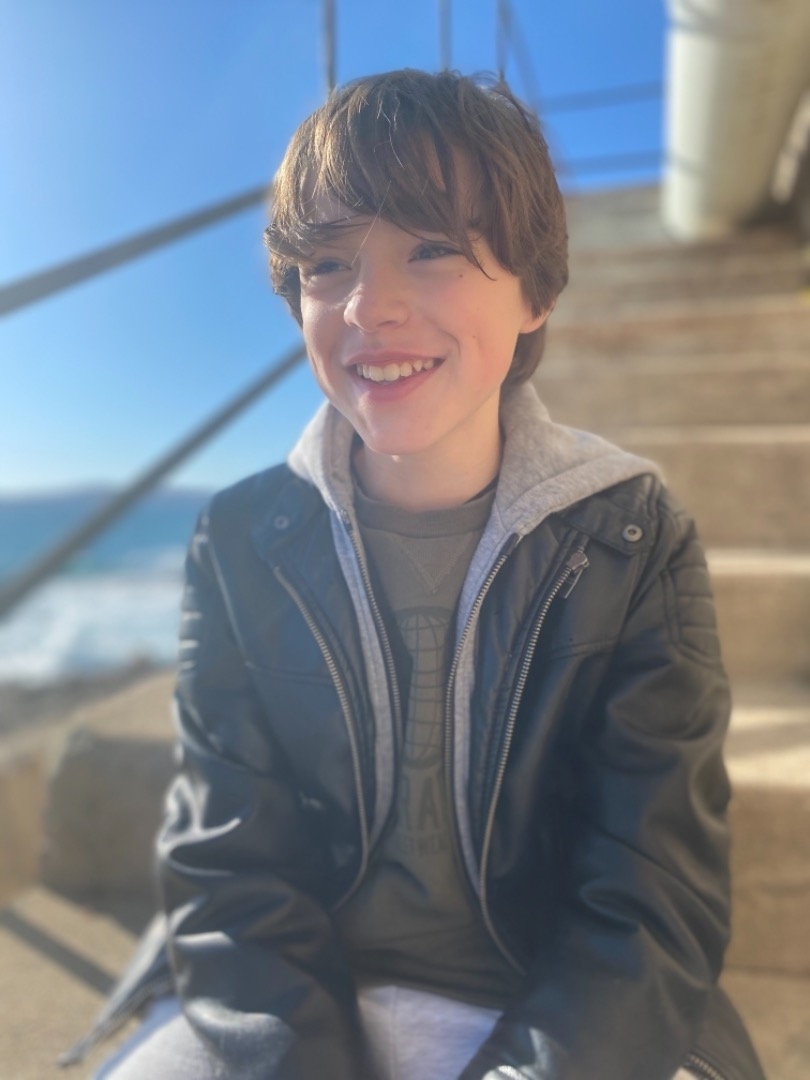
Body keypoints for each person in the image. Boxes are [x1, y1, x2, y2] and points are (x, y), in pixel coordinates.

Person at [75, 69, 765, 1079]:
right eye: (328, 263)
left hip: (561, 1015)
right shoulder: (240, 538)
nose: (371, 306)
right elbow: (230, 875)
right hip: (291, 1002)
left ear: (536, 291)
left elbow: (652, 898)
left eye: (432, 246)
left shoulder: (633, 537)